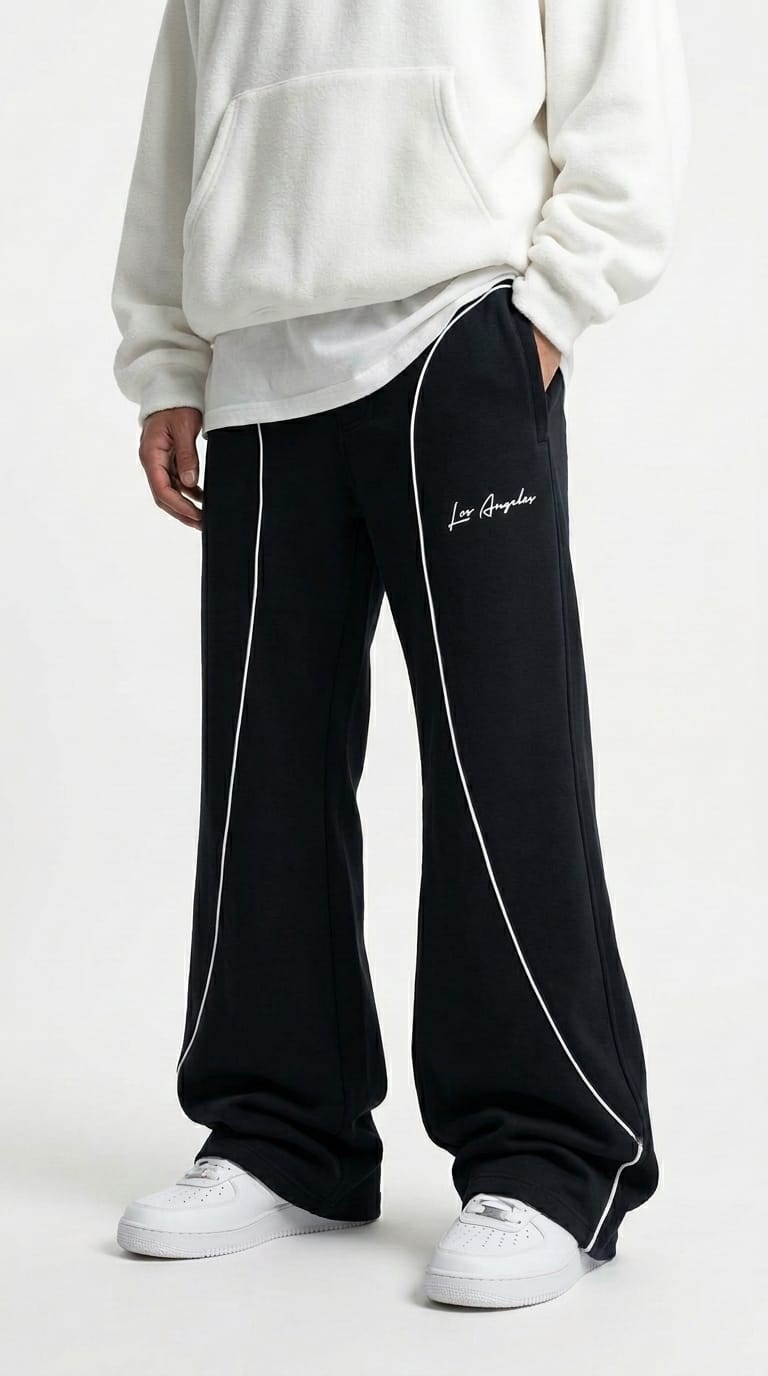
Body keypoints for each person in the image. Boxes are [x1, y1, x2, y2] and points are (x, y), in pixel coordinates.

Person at [111, 0, 689, 1307]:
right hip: (258, 365)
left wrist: (552, 307)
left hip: (454, 332)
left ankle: (551, 1157)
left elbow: (622, 71)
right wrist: (167, 358)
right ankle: (282, 1134)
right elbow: (178, 125)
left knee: (501, 765)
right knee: (261, 780)